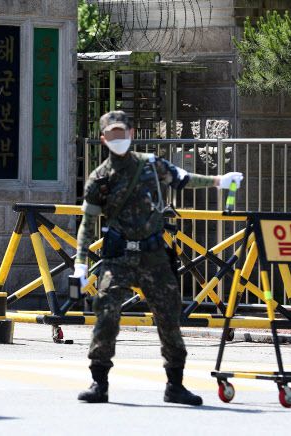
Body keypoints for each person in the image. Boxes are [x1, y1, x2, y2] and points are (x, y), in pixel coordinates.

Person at [71, 111, 243, 405]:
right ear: (103, 139)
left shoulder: (150, 165)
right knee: (106, 314)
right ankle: (99, 382)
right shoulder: (99, 178)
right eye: (112, 134)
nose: (118, 139)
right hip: (118, 257)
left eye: (122, 133)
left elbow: (182, 179)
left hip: (153, 255)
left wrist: (218, 181)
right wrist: (80, 262)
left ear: (132, 133)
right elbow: (88, 222)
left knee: (168, 316)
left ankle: (175, 384)